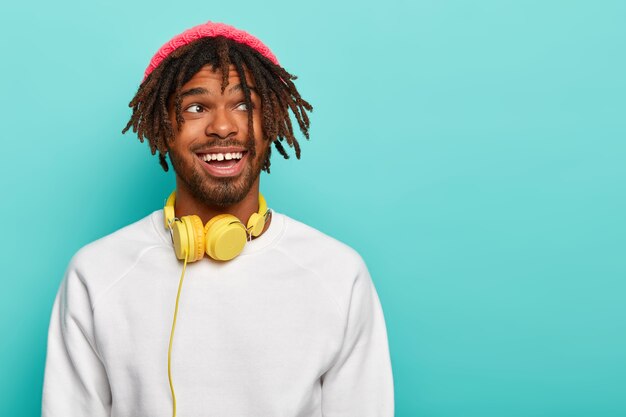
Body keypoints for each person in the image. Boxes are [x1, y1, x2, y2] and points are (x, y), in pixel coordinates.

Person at [41, 21, 394, 417]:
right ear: (161, 129)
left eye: (244, 105)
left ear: (270, 123)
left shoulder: (338, 274)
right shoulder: (96, 273)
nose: (223, 127)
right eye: (196, 107)